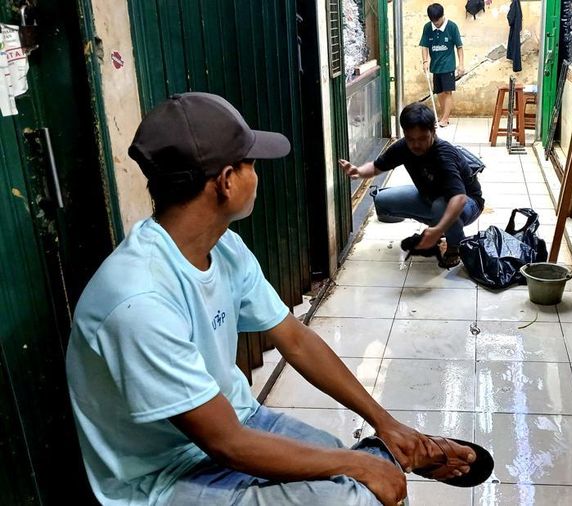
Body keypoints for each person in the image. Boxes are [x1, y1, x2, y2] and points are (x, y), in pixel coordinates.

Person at [65, 92, 489, 506]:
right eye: (250, 163)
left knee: (367, 479)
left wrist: (385, 421)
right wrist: (359, 466)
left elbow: (295, 339)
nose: (258, 174)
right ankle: (379, 456)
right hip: (167, 474)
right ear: (227, 182)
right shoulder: (139, 302)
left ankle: (383, 450)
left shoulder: (223, 247)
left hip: (241, 419)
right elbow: (226, 444)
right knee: (358, 491)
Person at [340, 103, 484, 268]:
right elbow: (377, 166)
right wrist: (358, 171)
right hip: (429, 196)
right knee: (382, 200)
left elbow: (459, 199)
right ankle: (439, 225)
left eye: (422, 139)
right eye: (411, 139)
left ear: (433, 131)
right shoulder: (404, 147)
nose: (416, 145)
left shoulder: (444, 155)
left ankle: (454, 246)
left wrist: (437, 230)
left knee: (440, 206)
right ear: (405, 134)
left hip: (469, 204)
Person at [420, 3, 464, 127]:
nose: (436, 24)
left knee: (447, 92)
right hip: (435, 66)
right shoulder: (428, 27)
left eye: (438, 21)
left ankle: (445, 118)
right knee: (439, 92)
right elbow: (424, 46)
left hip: (448, 66)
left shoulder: (452, 27)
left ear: (442, 15)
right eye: (433, 21)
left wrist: (461, 64)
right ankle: (444, 116)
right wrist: (425, 61)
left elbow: (459, 47)